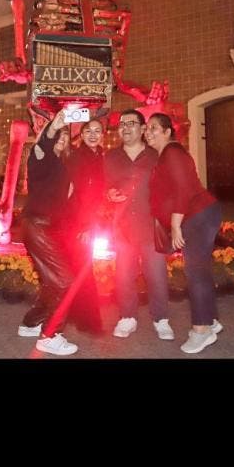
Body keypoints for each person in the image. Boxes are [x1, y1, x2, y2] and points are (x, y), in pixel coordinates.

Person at [145, 113, 223, 354]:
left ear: (167, 131)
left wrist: (176, 223)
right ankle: (210, 320)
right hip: (198, 215)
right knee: (200, 269)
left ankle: (201, 330)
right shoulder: (165, 155)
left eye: (154, 128)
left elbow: (183, 189)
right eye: (147, 128)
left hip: (196, 215)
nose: (148, 132)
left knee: (195, 271)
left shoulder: (172, 152)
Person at [105, 109, 172, 341]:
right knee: (124, 274)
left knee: (157, 275)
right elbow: (105, 186)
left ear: (143, 129)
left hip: (151, 225)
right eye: (122, 124)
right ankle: (127, 317)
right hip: (123, 226)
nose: (125, 128)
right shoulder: (111, 157)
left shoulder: (156, 155)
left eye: (131, 123)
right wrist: (109, 193)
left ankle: (161, 318)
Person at [17, 109, 79, 356]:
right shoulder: (41, 156)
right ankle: (50, 336)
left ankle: (31, 323)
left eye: (65, 136)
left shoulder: (58, 164)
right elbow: (43, 143)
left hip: (45, 227)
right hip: (38, 226)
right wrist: (54, 125)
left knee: (51, 281)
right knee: (65, 281)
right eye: (58, 136)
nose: (62, 139)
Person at [63, 118, 105, 334]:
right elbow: (73, 191)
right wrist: (84, 226)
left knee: (79, 268)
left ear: (103, 135)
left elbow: (97, 192)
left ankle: (77, 315)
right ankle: (88, 321)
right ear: (81, 134)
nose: (93, 135)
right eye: (89, 131)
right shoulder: (78, 157)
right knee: (82, 269)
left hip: (89, 218)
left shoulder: (99, 156)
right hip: (77, 220)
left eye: (97, 131)